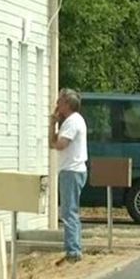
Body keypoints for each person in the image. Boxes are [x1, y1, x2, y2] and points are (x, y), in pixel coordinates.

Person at [49, 88, 88, 264]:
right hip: (71, 170)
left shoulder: (73, 121)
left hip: (72, 170)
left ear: (67, 104)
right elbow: (53, 142)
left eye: (60, 101)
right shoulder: (69, 122)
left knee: (69, 211)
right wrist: (53, 124)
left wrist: (56, 130)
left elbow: (60, 144)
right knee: (70, 210)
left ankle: (73, 250)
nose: (57, 104)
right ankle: (73, 247)